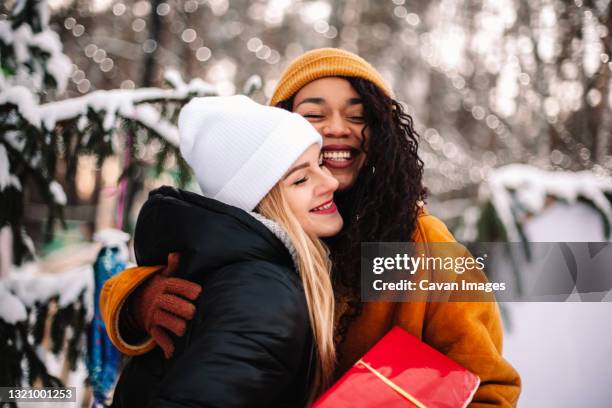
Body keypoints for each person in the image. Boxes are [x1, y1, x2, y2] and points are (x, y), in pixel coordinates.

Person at [103, 49, 521, 406]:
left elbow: (489, 387)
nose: (337, 127)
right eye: (315, 114)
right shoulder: (259, 224)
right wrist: (139, 301)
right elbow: (202, 264)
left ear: (383, 133)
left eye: (359, 116)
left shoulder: (418, 242)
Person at [101, 95, 343, 407]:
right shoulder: (264, 292)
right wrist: (132, 302)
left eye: (321, 163)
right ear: (261, 203)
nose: (331, 181)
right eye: (300, 179)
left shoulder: (252, 273)